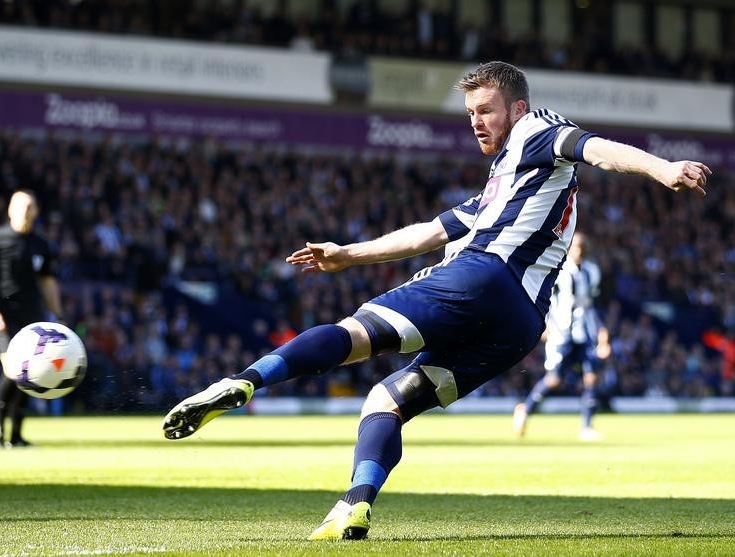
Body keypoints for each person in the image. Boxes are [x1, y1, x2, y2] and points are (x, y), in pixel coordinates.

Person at [162, 61, 710, 540]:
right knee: (387, 402)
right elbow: (428, 232)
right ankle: (354, 505)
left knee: (357, 336)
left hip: (483, 278)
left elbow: (593, 148)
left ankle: (246, 380)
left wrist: (663, 169)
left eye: (487, 110)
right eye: (470, 112)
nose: (476, 120)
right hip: (517, 328)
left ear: (517, 107)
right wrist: (348, 254)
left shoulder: (537, 129)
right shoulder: (507, 187)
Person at [0, 190, 64, 449]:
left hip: (32, 319)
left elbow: (47, 282)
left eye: (31, 206)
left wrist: (58, 314)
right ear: (10, 209)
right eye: (21, 205)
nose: (26, 210)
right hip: (3, 317)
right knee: (13, 370)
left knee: (30, 375)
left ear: (36, 211)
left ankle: (17, 436)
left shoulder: (41, 245)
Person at [513, 231, 610, 441]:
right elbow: (542, 297)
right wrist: (543, 325)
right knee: (554, 380)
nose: (578, 253)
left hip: (585, 332)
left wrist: (602, 335)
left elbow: (594, 306)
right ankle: (525, 409)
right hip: (562, 332)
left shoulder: (592, 272)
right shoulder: (559, 270)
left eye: (582, 249)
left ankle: (587, 427)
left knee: (591, 377)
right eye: (575, 248)